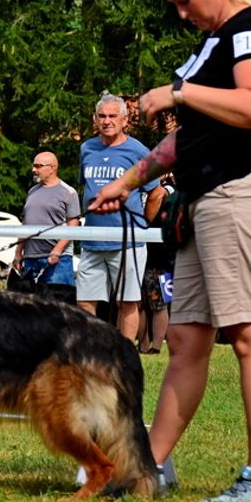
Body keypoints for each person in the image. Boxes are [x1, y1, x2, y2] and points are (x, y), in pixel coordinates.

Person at [88, 0, 251, 502]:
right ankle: (149, 467)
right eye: (173, 5)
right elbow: (190, 139)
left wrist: (178, 91)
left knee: (250, 336)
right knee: (184, 337)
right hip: (208, 200)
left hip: (242, 194)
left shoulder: (248, 29)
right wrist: (128, 183)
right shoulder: (217, 40)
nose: (181, 13)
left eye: (185, 0)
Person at [77, 94, 164, 341]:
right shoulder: (87, 148)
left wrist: (142, 224)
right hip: (91, 239)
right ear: (95, 119)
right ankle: (91, 352)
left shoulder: (137, 150)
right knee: (84, 302)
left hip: (128, 240)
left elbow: (156, 192)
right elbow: (86, 188)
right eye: (102, 116)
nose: (107, 121)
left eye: (113, 116)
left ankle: (124, 355)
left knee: (127, 301)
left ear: (124, 120)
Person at [12, 152, 81, 297]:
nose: (33, 170)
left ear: (52, 168)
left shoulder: (68, 192)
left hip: (57, 261)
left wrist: (57, 251)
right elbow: (26, 224)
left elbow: (73, 224)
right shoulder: (32, 191)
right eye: (33, 166)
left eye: (38, 166)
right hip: (30, 259)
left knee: (59, 307)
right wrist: (18, 253)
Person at [138, 175, 176, 354]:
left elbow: (160, 194)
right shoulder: (141, 191)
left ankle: (157, 347)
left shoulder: (168, 189)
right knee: (139, 303)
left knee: (159, 303)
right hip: (139, 253)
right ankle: (143, 344)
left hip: (161, 257)